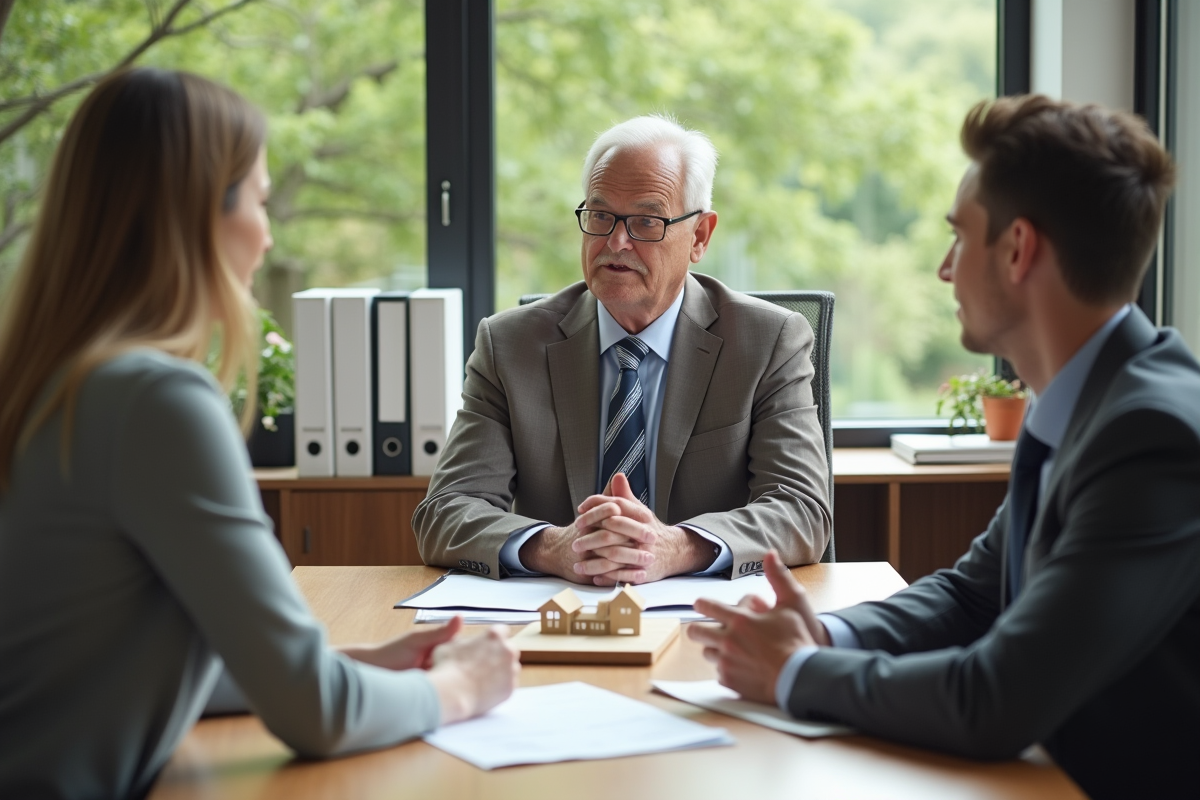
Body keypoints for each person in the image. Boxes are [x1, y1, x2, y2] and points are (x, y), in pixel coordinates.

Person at [0, 68, 519, 800]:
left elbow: (103, 666)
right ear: (196, 214)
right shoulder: (156, 402)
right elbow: (316, 716)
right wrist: (460, 690)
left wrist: (360, 665)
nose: (268, 237)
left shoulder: (55, 383)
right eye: (260, 200)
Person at [689, 94, 1200, 799]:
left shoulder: (1154, 435)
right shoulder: (1081, 401)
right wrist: (824, 636)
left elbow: (996, 699)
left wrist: (795, 672)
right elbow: (971, 596)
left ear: (1018, 250)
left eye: (959, 236)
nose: (944, 268)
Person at [413, 114, 831, 585]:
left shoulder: (767, 342)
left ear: (699, 236)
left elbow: (802, 511)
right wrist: (555, 547)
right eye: (600, 216)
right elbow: (444, 512)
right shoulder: (510, 346)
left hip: (709, 620)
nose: (616, 241)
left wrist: (675, 547)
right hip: (559, 617)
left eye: (646, 221)